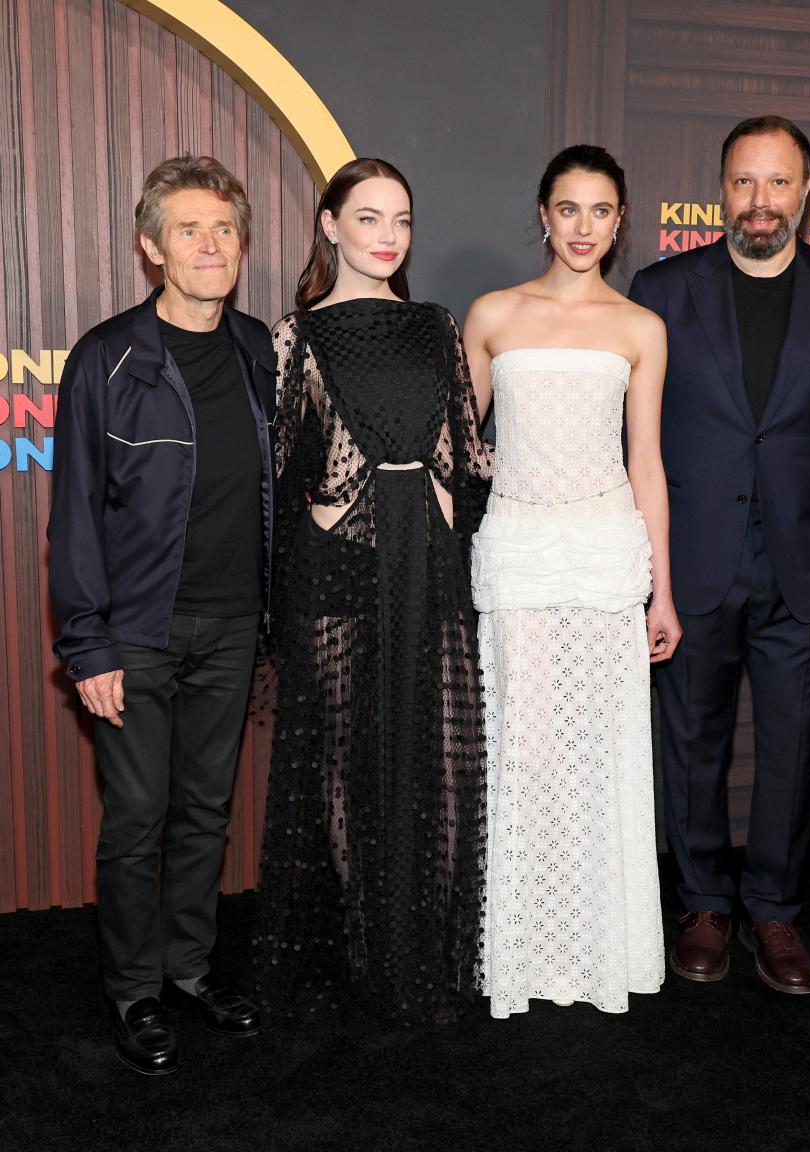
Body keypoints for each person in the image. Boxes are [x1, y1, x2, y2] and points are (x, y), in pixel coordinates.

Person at [629, 116, 810, 994]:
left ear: (807, 191)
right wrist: (643, 568)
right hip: (693, 562)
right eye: (744, 183)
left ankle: (775, 912)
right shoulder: (663, 288)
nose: (760, 202)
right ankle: (704, 902)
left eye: (778, 183)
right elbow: (632, 440)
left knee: (791, 749)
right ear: (721, 189)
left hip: (808, 571)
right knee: (693, 744)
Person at [48, 156, 276, 1074]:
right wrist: (87, 643)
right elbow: (73, 519)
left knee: (204, 812)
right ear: (151, 248)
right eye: (189, 229)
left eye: (223, 228)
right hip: (135, 635)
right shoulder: (107, 358)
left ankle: (189, 970)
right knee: (137, 816)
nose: (210, 244)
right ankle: (135, 991)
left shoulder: (261, 348)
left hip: (233, 628)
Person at [253, 158, 493, 1025]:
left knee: (436, 751)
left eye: (400, 221)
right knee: (345, 760)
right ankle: (363, 957)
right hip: (340, 562)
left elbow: (470, 451)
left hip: (426, 557)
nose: (387, 237)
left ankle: (422, 949)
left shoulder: (437, 325)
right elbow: (278, 473)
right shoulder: (296, 335)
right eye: (368, 219)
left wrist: (437, 488)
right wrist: (327, 510)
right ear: (329, 225)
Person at [465, 144, 678, 1018]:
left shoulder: (639, 328)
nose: (583, 227)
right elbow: (459, 450)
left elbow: (650, 464)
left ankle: (599, 951)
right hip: (516, 546)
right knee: (523, 754)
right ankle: (520, 952)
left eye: (601, 211)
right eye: (568, 208)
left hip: (603, 554)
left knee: (598, 757)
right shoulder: (491, 315)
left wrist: (662, 589)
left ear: (619, 220)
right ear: (543, 214)